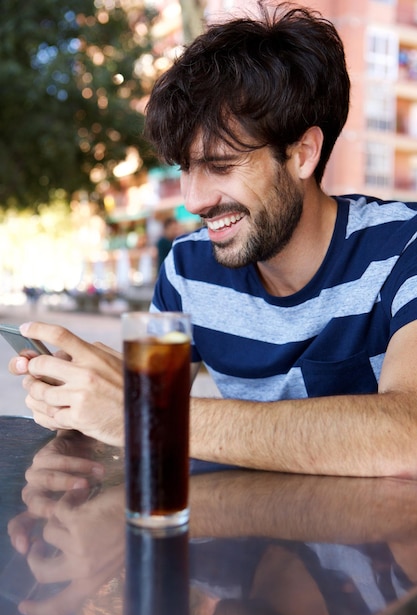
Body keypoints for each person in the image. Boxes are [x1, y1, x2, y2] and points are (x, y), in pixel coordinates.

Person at [8, 1, 417, 477]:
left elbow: (407, 438)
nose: (195, 200)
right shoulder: (187, 269)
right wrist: (80, 401)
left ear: (302, 154)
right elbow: (135, 425)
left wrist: (144, 416)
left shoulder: (404, 247)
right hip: (239, 537)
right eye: (185, 168)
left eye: (221, 165)